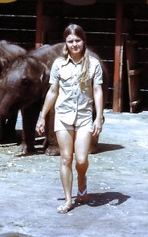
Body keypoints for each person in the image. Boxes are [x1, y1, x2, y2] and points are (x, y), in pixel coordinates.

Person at [36, 23, 104, 214]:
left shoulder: (93, 64)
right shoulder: (58, 64)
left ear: (83, 41)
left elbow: (98, 91)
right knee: (66, 158)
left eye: (77, 40)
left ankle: (82, 180)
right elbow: (52, 91)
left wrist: (98, 117)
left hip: (83, 117)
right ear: (66, 43)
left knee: (81, 159)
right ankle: (68, 199)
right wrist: (42, 116)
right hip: (63, 117)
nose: (74, 44)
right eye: (70, 41)